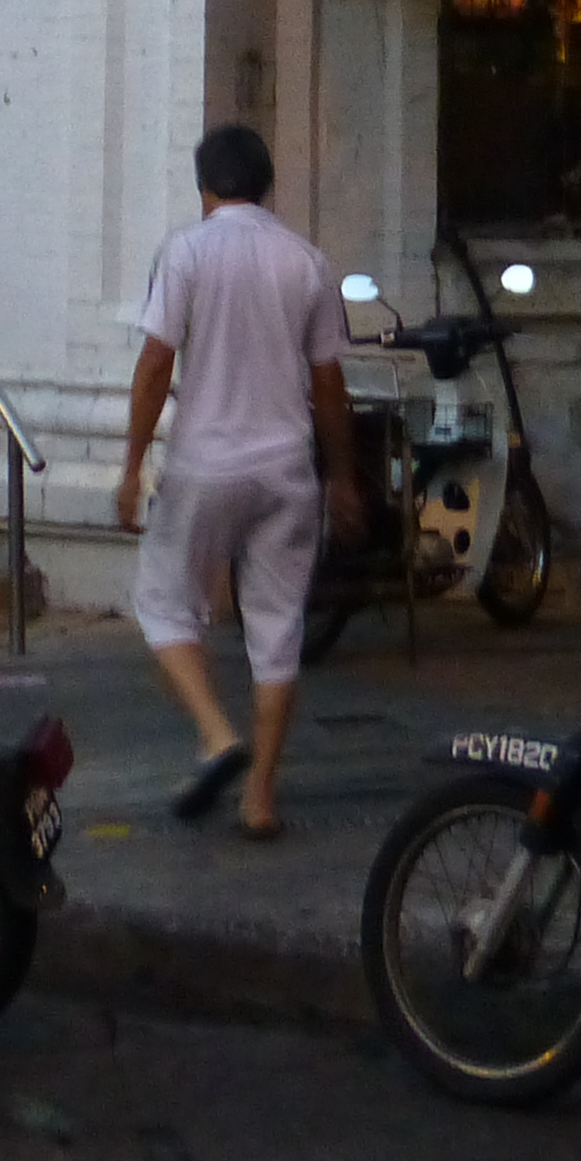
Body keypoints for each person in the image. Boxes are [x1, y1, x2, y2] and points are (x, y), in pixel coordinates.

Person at [113, 122, 363, 838]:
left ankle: (216, 732)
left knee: (163, 602)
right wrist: (342, 476)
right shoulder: (306, 261)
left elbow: (156, 365)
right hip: (286, 468)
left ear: (204, 188)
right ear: (265, 186)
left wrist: (132, 466)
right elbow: (329, 384)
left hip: (204, 466)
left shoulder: (185, 252)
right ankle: (259, 798)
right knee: (278, 631)